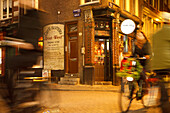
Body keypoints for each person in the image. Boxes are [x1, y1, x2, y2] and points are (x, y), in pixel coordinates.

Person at [151, 11, 170, 113]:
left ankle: (163, 101)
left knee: (161, 83)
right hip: (168, 63)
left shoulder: (155, 34)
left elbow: (153, 49)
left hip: (157, 65)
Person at [133, 30, 152, 99]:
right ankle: (136, 89)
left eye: (140, 35)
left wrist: (147, 56)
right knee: (134, 74)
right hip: (138, 63)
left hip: (146, 63)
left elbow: (150, 53)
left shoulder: (147, 44)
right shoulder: (136, 44)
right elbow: (134, 53)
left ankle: (146, 88)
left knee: (143, 75)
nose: (138, 37)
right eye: (137, 35)